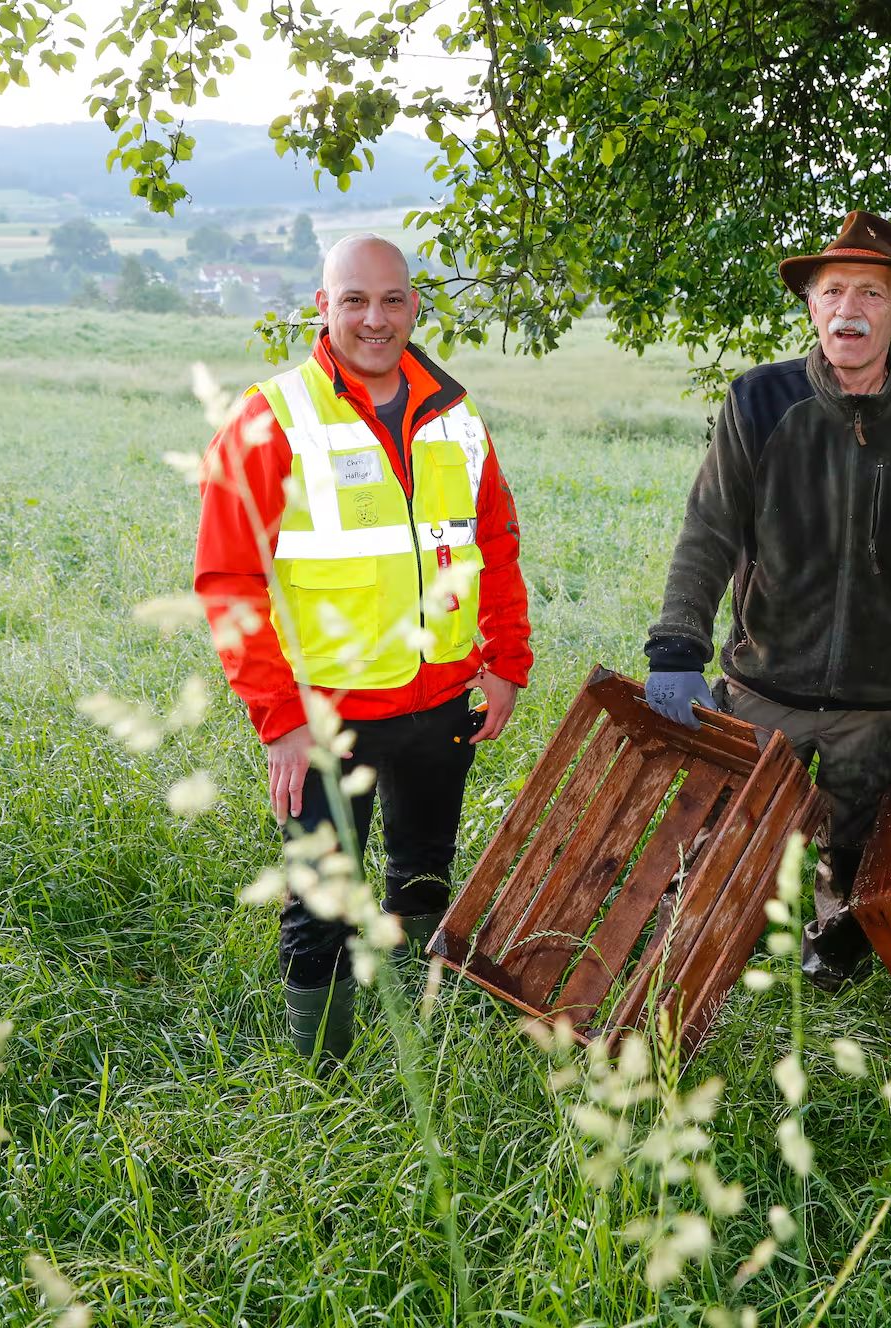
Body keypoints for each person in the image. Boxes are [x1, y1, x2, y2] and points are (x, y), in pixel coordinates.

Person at [642, 210, 891, 992]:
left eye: (873, 293)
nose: (850, 309)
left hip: (881, 702)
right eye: (834, 290)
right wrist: (678, 646)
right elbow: (710, 532)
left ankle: (833, 965)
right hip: (763, 683)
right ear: (811, 306)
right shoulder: (758, 402)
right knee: (724, 838)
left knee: (859, 850)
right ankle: (696, 957)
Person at [195, 235, 532, 1063]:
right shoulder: (270, 416)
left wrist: (505, 660)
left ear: (416, 305)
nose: (375, 319)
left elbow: (494, 541)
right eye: (355, 300)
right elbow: (227, 581)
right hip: (324, 719)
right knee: (322, 904)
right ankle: (325, 1075)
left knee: (424, 869)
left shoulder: (456, 415)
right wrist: (278, 719)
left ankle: (422, 1022)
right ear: (323, 306)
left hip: (442, 703)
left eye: (392, 300)